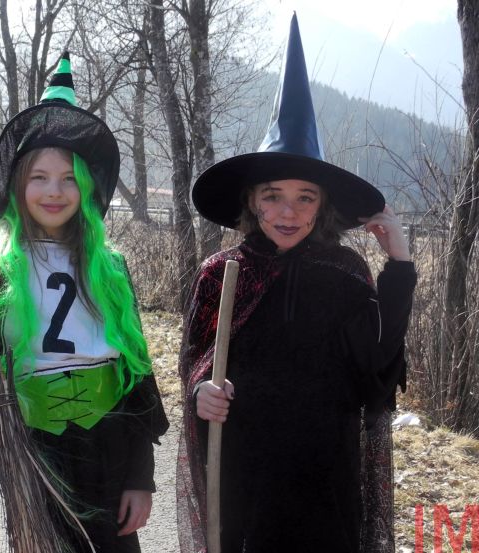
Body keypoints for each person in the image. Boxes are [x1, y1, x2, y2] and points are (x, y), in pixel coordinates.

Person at [176, 15, 417, 553]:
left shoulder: (344, 272)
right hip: (244, 471)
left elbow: (378, 368)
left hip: (324, 472)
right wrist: (200, 391)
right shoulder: (221, 274)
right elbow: (195, 358)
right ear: (251, 200)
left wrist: (399, 265)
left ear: (322, 206)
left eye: (305, 197)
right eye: (273, 196)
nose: (288, 212)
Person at [0, 52, 168, 553]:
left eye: (69, 178)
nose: (54, 191)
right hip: (37, 451)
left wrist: (140, 477)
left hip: (109, 445)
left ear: (88, 187)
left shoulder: (110, 270)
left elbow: (135, 374)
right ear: (17, 185)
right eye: (39, 177)